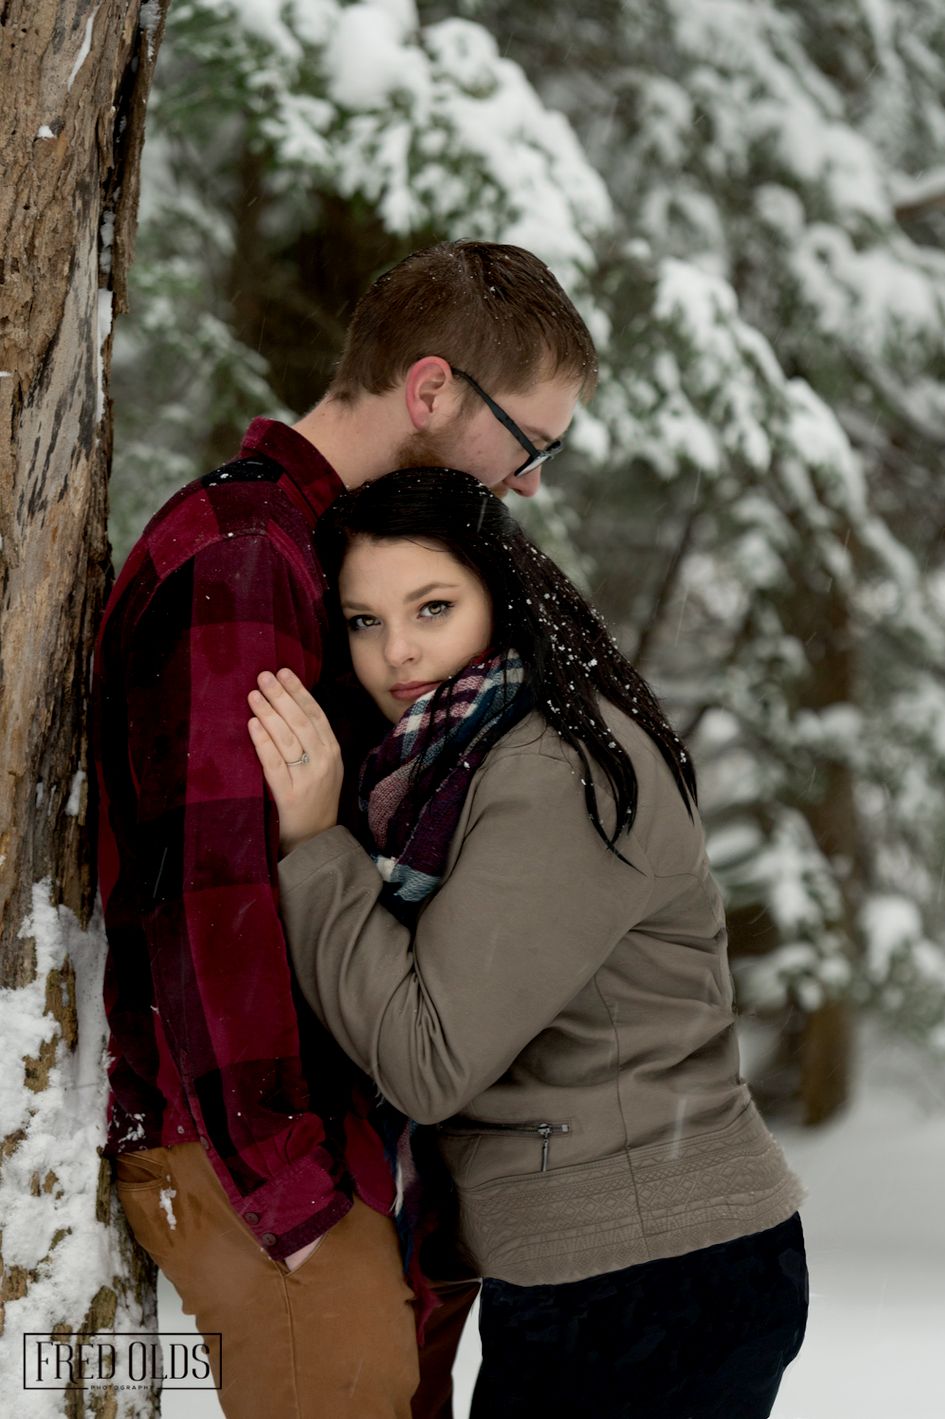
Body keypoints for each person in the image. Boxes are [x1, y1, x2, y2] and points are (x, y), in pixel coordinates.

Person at [90, 239, 596, 1419]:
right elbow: (211, 896)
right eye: (529, 445)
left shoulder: (337, 559)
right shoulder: (246, 562)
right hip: (252, 1164)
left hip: (344, 1155)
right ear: (430, 391)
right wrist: (297, 1204)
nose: (528, 484)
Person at [245, 467, 811, 1419]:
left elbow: (430, 1059)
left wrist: (312, 844)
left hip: (645, 1274)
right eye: (364, 620)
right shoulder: (457, 762)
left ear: (501, 598)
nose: (398, 652)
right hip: (616, 1265)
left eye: (432, 606)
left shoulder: (550, 771)